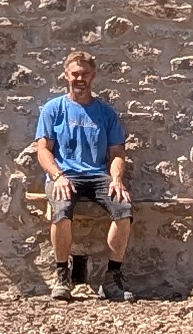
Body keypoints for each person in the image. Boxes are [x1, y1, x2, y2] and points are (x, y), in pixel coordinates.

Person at [28, 49, 134, 299]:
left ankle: (111, 279)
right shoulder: (54, 109)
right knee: (61, 210)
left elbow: (117, 152)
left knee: (124, 209)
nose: (80, 79)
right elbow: (43, 150)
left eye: (85, 74)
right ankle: (62, 276)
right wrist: (57, 176)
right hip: (64, 175)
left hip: (98, 176)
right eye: (75, 73)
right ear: (66, 75)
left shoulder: (106, 113)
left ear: (93, 76)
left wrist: (117, 179)